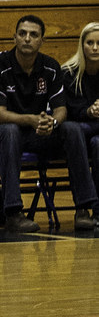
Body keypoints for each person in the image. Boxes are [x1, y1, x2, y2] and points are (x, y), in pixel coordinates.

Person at [0, 15, 98, 232]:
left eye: (33, 35)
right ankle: (13, 213)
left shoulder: (50, 67)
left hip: (34, 134)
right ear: (14, 37)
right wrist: (32, 120)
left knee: (71, 127)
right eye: (22, 33)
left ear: (42, 40)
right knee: (10, 131)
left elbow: (61, 110)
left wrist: (51, 122)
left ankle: (83, 210)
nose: (27, 39)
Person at [62, 21, 99, 195]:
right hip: (77, 132)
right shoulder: (68, 73)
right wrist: (90, 111)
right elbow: (71, 110)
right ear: (82, 45)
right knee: (77, 130)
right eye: (90, 43)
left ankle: (97, 212)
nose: (95, 48)